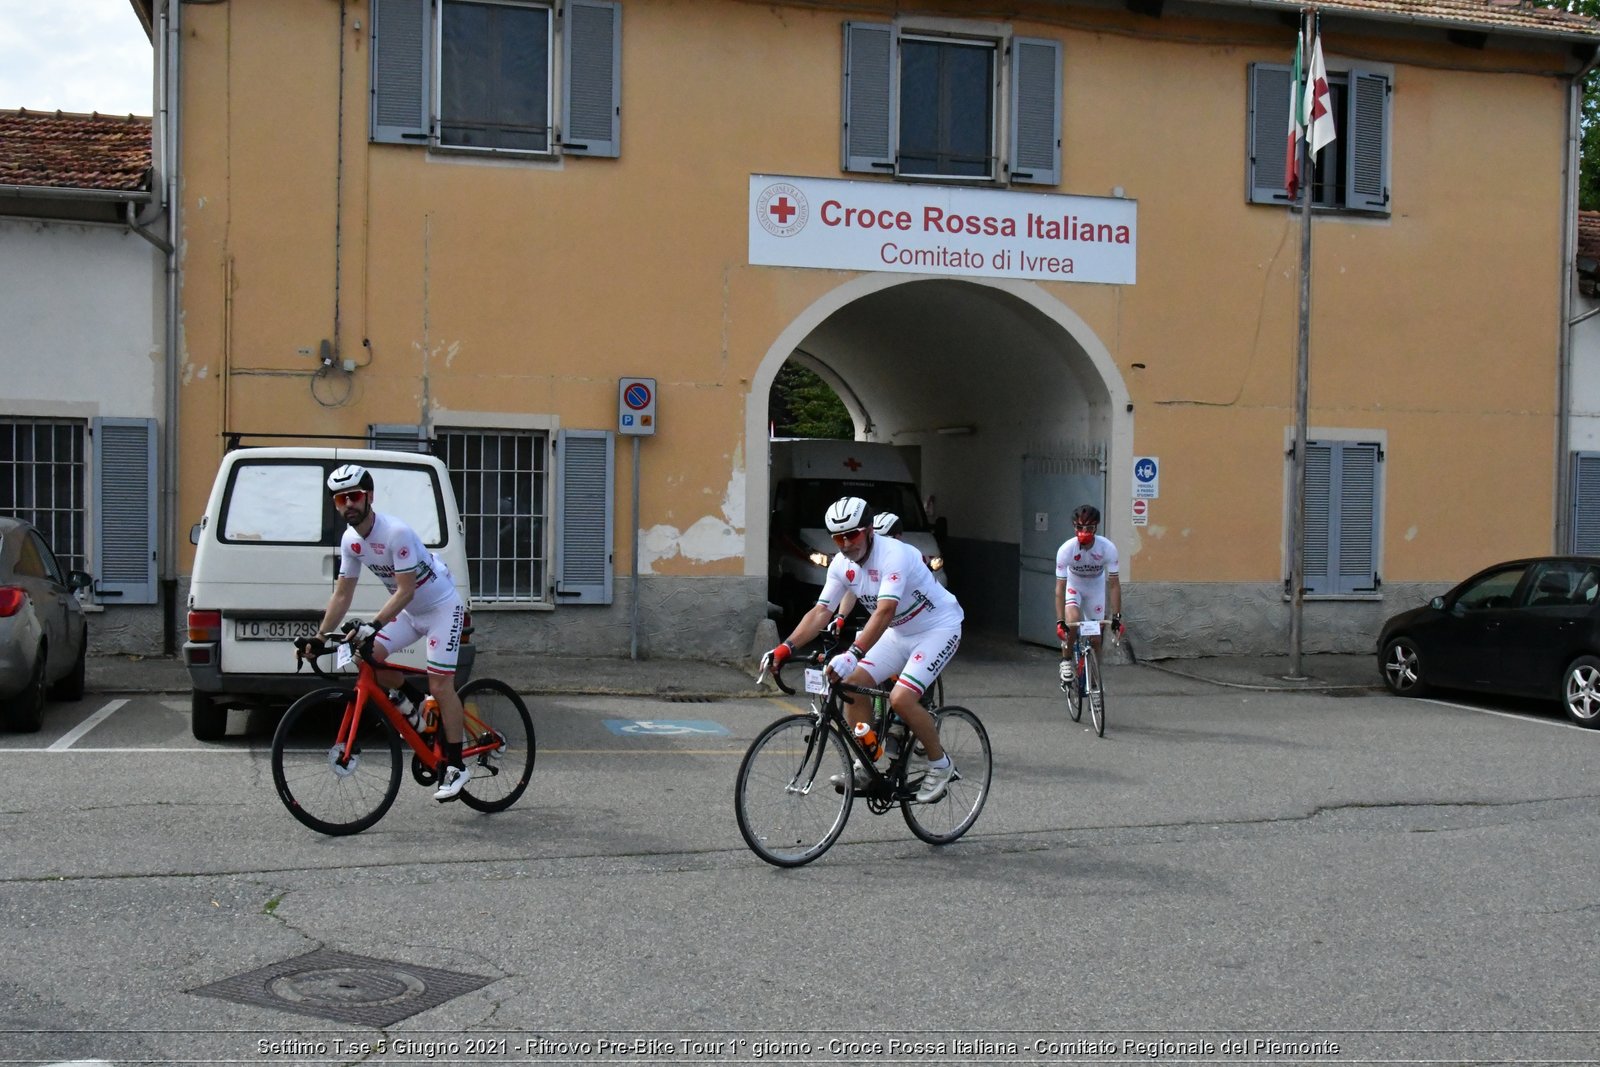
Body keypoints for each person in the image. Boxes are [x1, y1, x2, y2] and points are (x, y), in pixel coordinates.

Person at [762, 497, 963, 802]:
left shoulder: (894, 554)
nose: (845, 544)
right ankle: (866, 765)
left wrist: (853, 653)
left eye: (852, 535)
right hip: (900, 631)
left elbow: (884, 612)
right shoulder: (842, 565)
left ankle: (940, 764)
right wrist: (784, 648)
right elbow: (820, 613)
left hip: (938, 628)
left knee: (901, 698)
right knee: (852, 683)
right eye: (837, 537)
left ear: (869, 530)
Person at [305, 463, 473, 801]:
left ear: (368, 497)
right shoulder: (351, 541)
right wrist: (320, 636)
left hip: (440, 607)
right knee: (366, 656)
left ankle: (456, 765)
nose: (347, 504)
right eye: (340, 500)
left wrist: (374, 624)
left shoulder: (396, 533)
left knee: (441, 684)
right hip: (410, 613)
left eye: (353, 496)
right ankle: (415, 702)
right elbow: (342, 594)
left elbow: (406, 589)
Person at [1054, 503, 1122, 690]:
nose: (1084, 532)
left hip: (1095, 587)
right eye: (1079, 528)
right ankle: (1066, 660)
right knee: (1073, 621)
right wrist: (1060, 621)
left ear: (1096, 528)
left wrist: (1116, 617)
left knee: (1095, 636)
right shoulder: (1066, 549)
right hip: (1074, 585)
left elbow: (1114, 584)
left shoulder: (1107, 548)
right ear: (1074, 528)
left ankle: (1094, 679)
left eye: (1089, 528)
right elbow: (1060, 588)